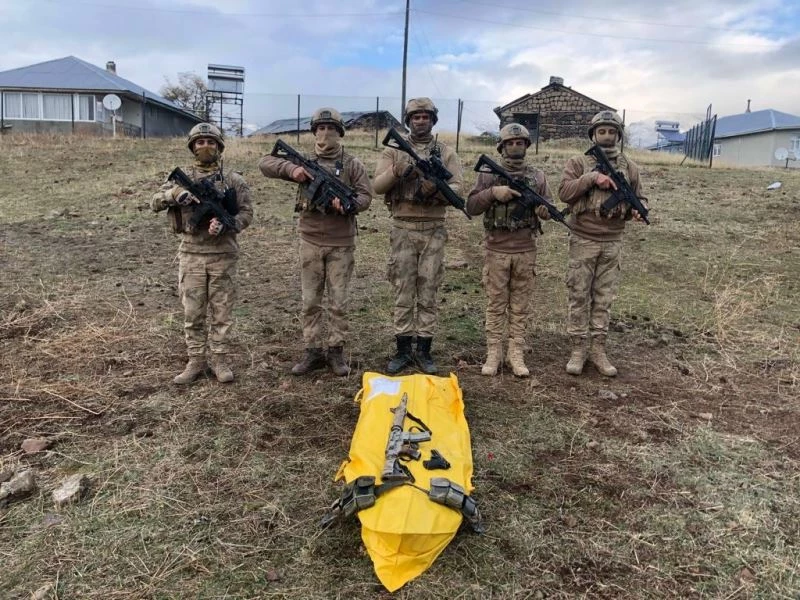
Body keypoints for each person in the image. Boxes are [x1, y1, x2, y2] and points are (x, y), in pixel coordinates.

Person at [258, 108, 372, 376]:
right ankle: (311, 351)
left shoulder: (352, 164)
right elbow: (265, 163)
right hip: (309, 240)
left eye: (331, 128)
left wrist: (348, 205)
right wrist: (292, 169)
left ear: (340, 132)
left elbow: (366, 196)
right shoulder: (304, 161)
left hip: (341, 243)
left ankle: (336, 351)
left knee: (338, 301)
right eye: (320, 128)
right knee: (310, 301)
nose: (325, 133)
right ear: (313, 131)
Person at [151, 122, 253, 384]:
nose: (205, 146)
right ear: (192, 147)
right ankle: (195, 360)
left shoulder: (233, 179)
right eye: (200, 142)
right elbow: (154, 201)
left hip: (223, 255)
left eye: (210, 142)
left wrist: (228, 224)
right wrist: (176, 194)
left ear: (219, 146)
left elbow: (246, 213)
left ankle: (220, 360)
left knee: (222, 313)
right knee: (192, 312)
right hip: (192, 253)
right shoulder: (179, 178)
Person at [373, 97, 464, 375]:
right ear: (408, 120)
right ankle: (402, 350)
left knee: (428, 288)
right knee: (403, 288)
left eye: (425, 116)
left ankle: (424, 350)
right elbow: (377, 185)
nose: (420, 121)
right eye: (415, 116)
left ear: (433, 120)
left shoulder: (445, 151)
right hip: (403, 227)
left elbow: (458, 188)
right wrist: (398, 171)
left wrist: (434, 189)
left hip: (433, 229)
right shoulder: (393, 151)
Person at [558, 110, 648, 377]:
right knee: (578, 294)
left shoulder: (630, 167)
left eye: (612, 131)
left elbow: (641, 197)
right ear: (593, 135)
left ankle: (598, 349)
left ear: (618, 135)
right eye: (602, 131)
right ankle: (578, 349)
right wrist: (591, 179)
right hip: (584, 238)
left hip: (612, 241)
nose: (607, 136)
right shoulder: (578, 162)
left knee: (604, 297)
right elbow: (564, 193)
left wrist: (638, 209)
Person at [466, 123, 553, 377]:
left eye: (520, 143)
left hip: (526, 249)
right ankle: (494, 352)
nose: (515, 147)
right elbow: (471, 206)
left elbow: (548, 207)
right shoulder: (488, 175)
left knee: (520, 305)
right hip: (497, 249)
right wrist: (494, 192)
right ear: (501, 147)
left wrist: (544, 212)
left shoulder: (537, 176)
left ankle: (516, 352)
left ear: (527, 146)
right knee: (495, 303)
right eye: (510, 143)